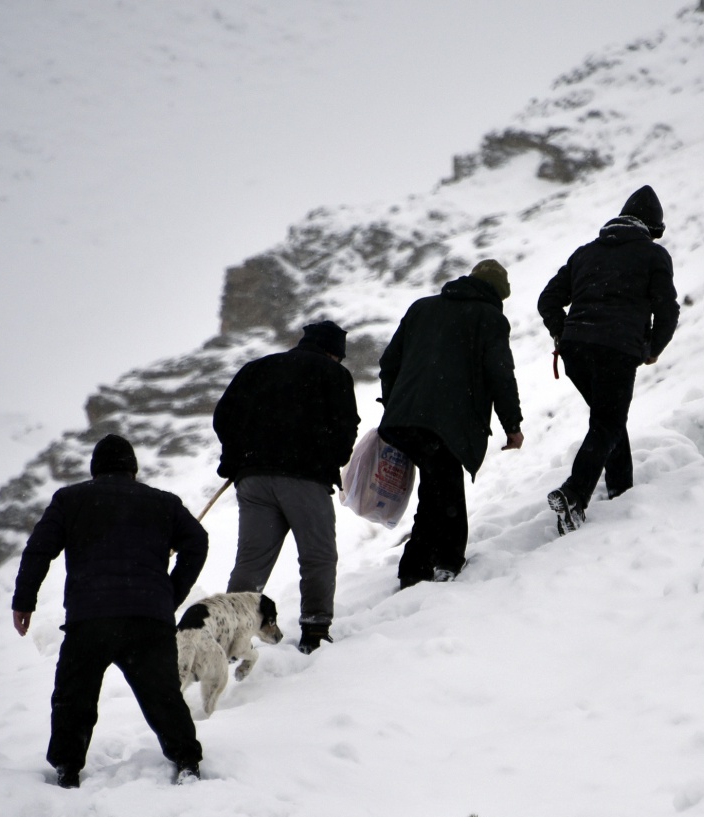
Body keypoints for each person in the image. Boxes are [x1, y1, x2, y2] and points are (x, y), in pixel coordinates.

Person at [11, 434, 209, 788]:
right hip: (149, 619)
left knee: (74, 697)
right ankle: (187, 761)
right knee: (163, 696)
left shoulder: (70, 500)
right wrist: (170, 594)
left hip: (91, 618)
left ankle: (67, 769)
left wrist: (24, 601)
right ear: (133, 470)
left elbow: (38, 549)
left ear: (94, 471)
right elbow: (198, 541)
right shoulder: (162, 502)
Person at [537, 184, 680, 534]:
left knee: (609, 420)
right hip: (616, 350)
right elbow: (668, 310)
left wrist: (562, 334)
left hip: (576, 351)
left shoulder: (586, 253)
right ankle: (574, 495)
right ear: (651, 229)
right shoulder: (652, 256)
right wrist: (652, 348)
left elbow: (548, 300)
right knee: (608, 423)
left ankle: (620, 491)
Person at [213, 320, 360, 653]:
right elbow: (346, 425)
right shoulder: (333, 374)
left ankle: (231, 639)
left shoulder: (256, 368)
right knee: (317, 556)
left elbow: (224, 416)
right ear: (334, 353)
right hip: (304, 478)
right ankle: (315, 631)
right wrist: (331, 459)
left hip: (254, 480)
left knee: (251, 562)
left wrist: (235, 460)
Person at [378, 260, 524, 588]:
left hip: (405, 419)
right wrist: (512, 424)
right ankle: (425, 566)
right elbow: (500, 375)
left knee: (440, 484)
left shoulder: (422, 308)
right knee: (441, 489)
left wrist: (396, 406)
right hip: (447, 423)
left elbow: (389, 363)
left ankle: (439, 561)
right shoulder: (489, 318)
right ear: (497, 295)